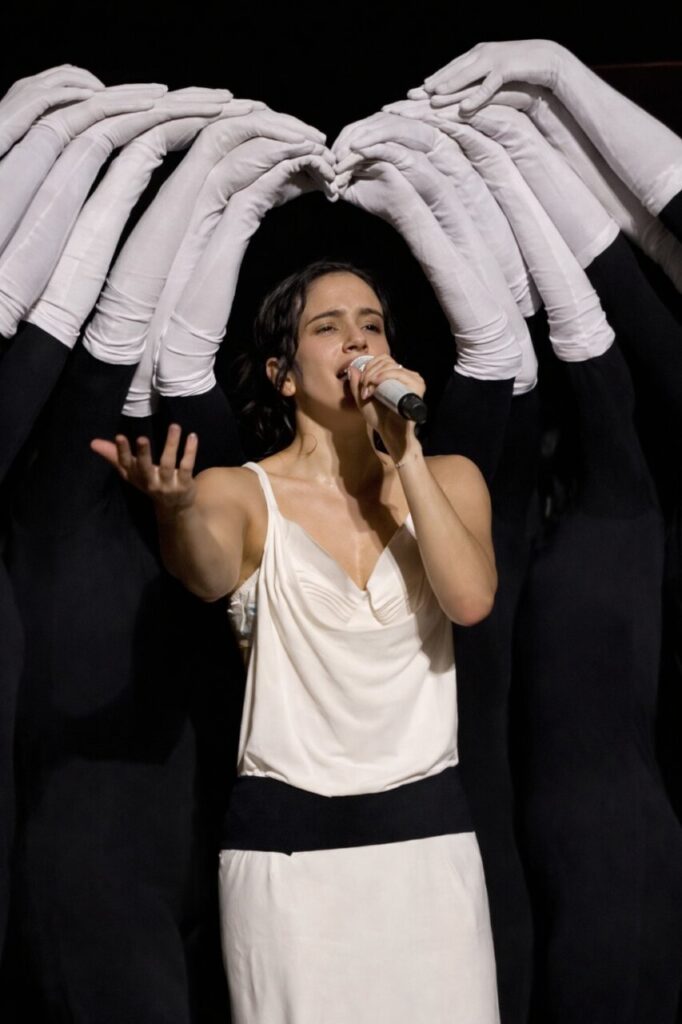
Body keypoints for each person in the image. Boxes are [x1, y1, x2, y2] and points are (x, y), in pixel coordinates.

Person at [93, 259, 502, 1023]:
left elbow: (470, 599)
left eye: (372, 324)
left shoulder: (450, 477)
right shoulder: (240, 491)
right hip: (290, 862)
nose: (357, 340)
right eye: (329, 326)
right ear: (283, 375)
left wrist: (404, 452)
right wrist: (176, 511)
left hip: (429, 853)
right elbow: (207, 573)